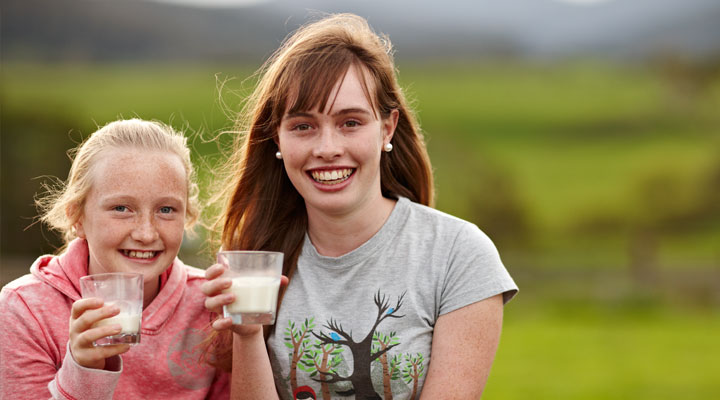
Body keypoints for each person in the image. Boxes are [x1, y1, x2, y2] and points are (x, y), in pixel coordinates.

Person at [202, 13, 518, 399]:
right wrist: (248, 333)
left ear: (387, 128)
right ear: (277, 140)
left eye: (350, 122)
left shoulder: (458, 255)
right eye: (303, 126)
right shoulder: (256, 262)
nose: (327, 148)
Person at [0, 119, 229, 399]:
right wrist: (83, 371)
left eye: (166, 209)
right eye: (121, 208)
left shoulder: (209, 304)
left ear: (187, 216)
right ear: (77, 217)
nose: (146, 234)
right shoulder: (26, 309)